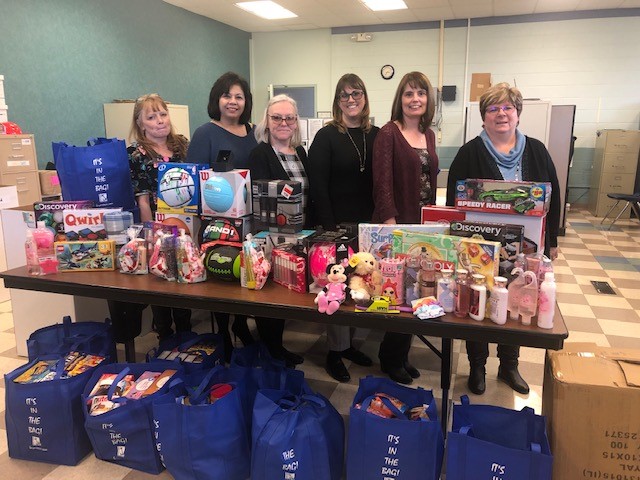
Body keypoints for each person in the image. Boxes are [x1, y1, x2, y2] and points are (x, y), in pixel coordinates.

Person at [446, 82, 561, 396]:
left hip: (527, 248)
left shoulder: (536, 149)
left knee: (518, 300)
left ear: (518, 113)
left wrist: (551, 243)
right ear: (483, 117)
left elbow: (554, 196)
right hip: (481, 247)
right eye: (493, 109)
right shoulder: (469, 152)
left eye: (507, 107)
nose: (500, 114)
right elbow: (453, 202)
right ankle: (477, 367)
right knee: (479, 300)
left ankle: (509, 364)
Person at [307, 73, 378, 382]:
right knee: (336, 287)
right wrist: (329, 228)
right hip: (336, 226)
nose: (351, 99)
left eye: (356, 93)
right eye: (344, 95)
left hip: (368, 227)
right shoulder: (327, 136)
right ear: (337, 102)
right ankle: (334, 353)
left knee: (359, 288)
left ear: (365, 97)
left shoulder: (376, 134)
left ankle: (348, 345)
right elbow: (318, 186)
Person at [372, 71, 439, 385]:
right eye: (409, 94)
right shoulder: (389, 132)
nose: (415, 99)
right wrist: (392, 226)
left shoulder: (429, 134)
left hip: (424, 225)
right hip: (398, 225)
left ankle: (401, 353)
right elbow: (382, 183)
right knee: (398, 293)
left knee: (417, 292)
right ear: (400, 99)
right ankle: (390, 357)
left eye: (421, 93)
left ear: (428, 99)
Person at [187, 72, 258, 360]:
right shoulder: (206, 133)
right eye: (227, 95)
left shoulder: (254, 131)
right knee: (221, 275)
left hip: (250, 220)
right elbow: (195, 178)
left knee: (243, 273)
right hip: (218, 221)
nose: (232, 101)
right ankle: (222, 336)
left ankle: (242, 326)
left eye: (239, 96)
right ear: (217, 99)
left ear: (246, 102)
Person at [246, 94, 310, 367]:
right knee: (272, 294)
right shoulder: (259, 153)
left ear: (295, 122)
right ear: (267, 121)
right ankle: (271, 350)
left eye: (289, 117)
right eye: (277, 117)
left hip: (300, 233)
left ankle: (276, 347)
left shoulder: (301, 152)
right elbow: (260, 197)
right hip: (270, 235)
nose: (283, 122)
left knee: (288, 293)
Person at [128, 93, 192, 341]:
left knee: (184, 274)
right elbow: (142, 199)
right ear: (141, 123)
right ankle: (165, 336)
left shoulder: (182, 145)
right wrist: (152, 232)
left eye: (163, 114)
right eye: (151, 117)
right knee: (162, 277)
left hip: (186, 222)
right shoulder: (137, 153)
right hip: (158, 225)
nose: (159, 121)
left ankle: (186, 335)